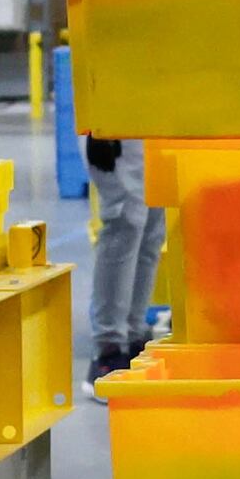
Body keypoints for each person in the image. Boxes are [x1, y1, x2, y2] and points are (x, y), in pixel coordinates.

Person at [82, 134, 163, 381]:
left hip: (156, 124)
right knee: (125, 221)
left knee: (152, 228)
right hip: (116, 129)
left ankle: (133, 337)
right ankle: (108, 350)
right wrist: (97, 128)